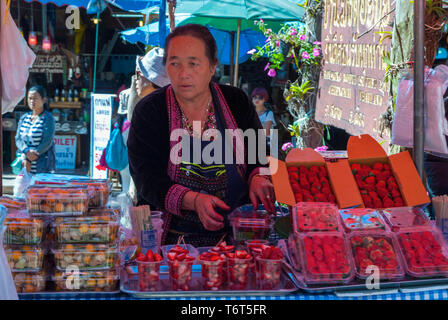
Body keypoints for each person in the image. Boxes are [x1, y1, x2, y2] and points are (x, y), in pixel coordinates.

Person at [128, 24, 275, 247]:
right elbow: (146, 179)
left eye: (194, 64)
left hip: (237, 237)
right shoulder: (150, 111)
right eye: (174, 63)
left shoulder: (236, 101)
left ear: (212, 66)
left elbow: (260, 155)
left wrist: (258, 177)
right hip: (171, 243)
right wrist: (194, 201)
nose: (183, 73)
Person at [118, 48, 171, 199]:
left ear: (153, 81)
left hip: (156, 197)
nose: (135, 79)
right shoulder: (155, 108)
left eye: (139, 74)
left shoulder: (151, 114)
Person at [15, 86, 56, 174]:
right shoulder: (24, 118)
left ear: (44, 100)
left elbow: (47, 141)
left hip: (41, 163)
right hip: (24, 163)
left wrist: (34, 154)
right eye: (30, 98)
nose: (32, 101)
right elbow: (18, 138)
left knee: (39, 187)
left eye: (35, 98)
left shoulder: (48, 118)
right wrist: (26, 152)